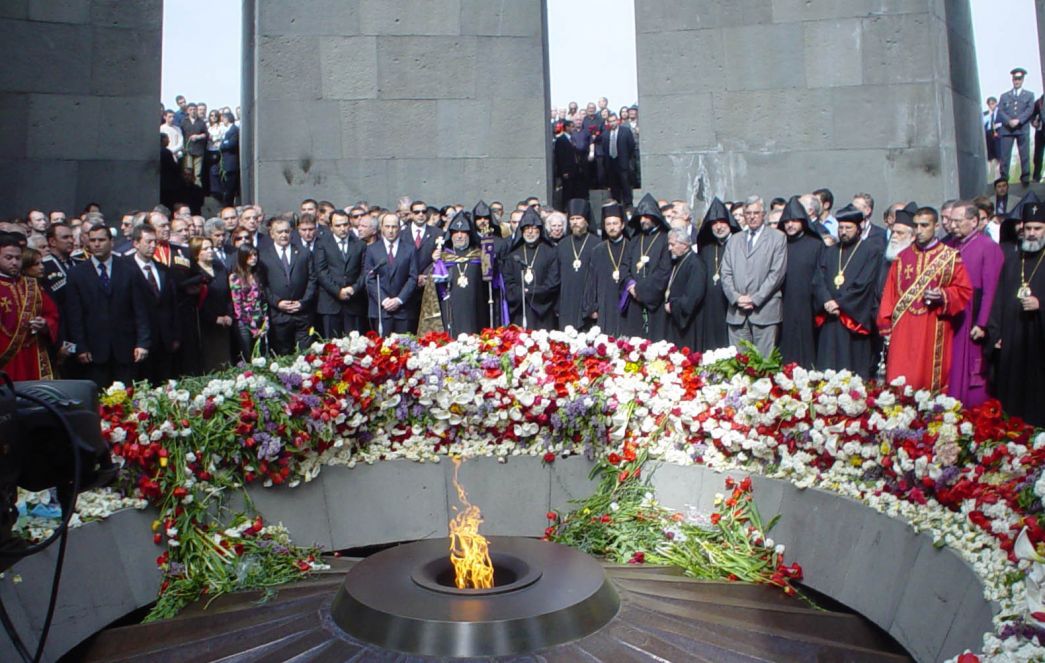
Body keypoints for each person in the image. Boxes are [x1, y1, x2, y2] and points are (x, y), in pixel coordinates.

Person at [877, 207, 972, 393]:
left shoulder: (950, 258)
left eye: (924, 225)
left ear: (936, 226)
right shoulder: (902, 258)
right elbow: (889, 294)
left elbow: (964, 291)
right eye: (916, 225)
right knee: (900, 379)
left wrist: (943, 295)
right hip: (903, 330)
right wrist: (885, 323)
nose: (919, 230)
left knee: (928, 379)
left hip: (934, 325)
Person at [65, 225, 150, 387]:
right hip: (93, 350)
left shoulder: (129, 270)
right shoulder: (76, 274)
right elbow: (74, 316)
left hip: (126, 348)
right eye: (93, 240)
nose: (97, 244)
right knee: (97, 401)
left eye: (101, 240)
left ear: (111, 242)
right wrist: (81, 347)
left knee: (128, 400)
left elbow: (140, 310)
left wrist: (143, 342)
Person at [987, 202, 1045, 426]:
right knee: (1012, 391)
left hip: (1039, 340)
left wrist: (1041, 304)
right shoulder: (1012, 260)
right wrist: (996, 332)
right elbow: (997, 298)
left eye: (1038, 229)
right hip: (1012, 337)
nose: (1031, 233)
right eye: (1028, 228)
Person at [944, 202, 1005, 407]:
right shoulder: (951, 245)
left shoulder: (988, 247)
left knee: (973, 371)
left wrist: (983, 323)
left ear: (974, 221)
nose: (952, 226)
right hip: (952, 315)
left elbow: (992, 289)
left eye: (957, 221)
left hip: (973, 317)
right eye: (951, 221)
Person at [813, 210, 883, 378]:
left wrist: (840, 303)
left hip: (853, 318)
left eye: (848, 228)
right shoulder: (830, 251)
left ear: (858, 228)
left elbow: (865, 283)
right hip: (830, 316)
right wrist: (827, 300)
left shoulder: (871, 251)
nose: (843, 232)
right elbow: (818, 279)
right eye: (841, 228)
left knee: (852, 366)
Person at [721, 195, 788, 357]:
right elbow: (726, 273)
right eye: (748, 213)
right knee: (738, 364)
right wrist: (737, 298)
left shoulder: (777, 238)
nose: (752, 217)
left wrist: (755, 298)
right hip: (737, 313)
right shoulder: (734, 240)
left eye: (756, 213)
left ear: (764, 214)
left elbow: (776, 274)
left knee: (763, 365)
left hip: (764, 312)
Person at [126, 224, 180, 383]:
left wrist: (175, 335)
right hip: (137, 341)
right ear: (136, 243)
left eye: (154, 242)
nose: (152, 246)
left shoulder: (163, 269)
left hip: (164, 339)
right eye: (148, 242)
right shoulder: (125, 268)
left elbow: (173, 303)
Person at [0, 235, 59, 380]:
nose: (14, 262)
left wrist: (44, 324)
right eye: (8, 258)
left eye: (18, 258)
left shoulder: (33, 285)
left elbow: (52, 314)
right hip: (5, 356)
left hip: (34, 354)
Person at [258, 218, 316, 354]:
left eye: (286, 231)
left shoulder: (304, 252)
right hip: (278, 315)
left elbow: (312, 279)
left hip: (302, 313)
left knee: (305, 354)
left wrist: (303, 302)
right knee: (282, 355)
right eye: (279, 232)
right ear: (272, 234)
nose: (283, 235)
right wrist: (277, 302)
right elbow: (262, 285)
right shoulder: (263, 256)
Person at [778, 196, 824, 367]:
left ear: (803, 221)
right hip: (784, 303)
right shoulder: (779, 244)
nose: (790, 225)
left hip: (808, 305)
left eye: (795, 220)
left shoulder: (816, 244)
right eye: (787, 221)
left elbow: (821, 277)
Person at [432, 211, 493, 336]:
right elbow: (434, 286)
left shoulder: (479, 255)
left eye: (463, 232)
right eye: (456, 232)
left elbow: (491, 281)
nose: (459, 236)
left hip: (475, 307)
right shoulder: (444, 257)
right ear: (451, 234)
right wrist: (435, 263)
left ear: (469, 234)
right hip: (451, 306)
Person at [622, 193, 672, 341]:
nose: (643, 220)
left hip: (655, 302)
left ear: (656, 216)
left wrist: (641, 291)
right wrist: (631, 286)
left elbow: (664, 271)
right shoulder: (635, 240)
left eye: (647, 216)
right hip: (634, 300)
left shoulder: (665, 238)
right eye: (641, 217)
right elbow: (625, 265)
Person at [695, 198, 741, 351]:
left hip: (730, 305)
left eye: (722, 221)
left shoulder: (738, 245)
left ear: (730, 223)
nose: (719, 227)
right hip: (709, 306)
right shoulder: (707, 249)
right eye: (714, 223)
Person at [502, 208, 559, 330]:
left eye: (533, 228)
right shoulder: (513, 255)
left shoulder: (551, 253)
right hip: (520, 309)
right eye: (527, 228)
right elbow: (508, 282)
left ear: (540, 230)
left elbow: (553, 283)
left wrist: (532, 292)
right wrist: (522, 292)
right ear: (521, 231)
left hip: (543, 311)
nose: (530, 232)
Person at [315, 209, 367, 338]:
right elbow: (321, 272)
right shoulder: (322, 244)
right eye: (338, 226)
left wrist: (354, 288)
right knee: (331, 347)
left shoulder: (360, 244)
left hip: (353, 302)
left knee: (355, 346)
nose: (342, 229)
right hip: (330, 303)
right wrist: (338, 291)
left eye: (345, 224)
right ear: (331, 227)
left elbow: (365, 271)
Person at [363, 212, 417, 335]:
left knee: (404, 349)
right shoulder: (372, 250)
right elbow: (369, 278)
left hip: (403, 310)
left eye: (394, 227)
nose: (391, 231)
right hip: (381, 310)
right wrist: (384, 300)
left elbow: (412, 278)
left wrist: (399, 300)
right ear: (381, 228)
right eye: (387, 227)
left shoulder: (409, 249)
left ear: (399, 228)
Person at [584, 202, 631, 337]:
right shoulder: (598, 250)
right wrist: (591, 307)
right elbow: (591, 281)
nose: (612, 227)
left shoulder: (631, 247)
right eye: (608, 224)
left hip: (625, 303)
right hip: (605, 304)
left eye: (615, 223)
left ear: (622, 225)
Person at [191, 236, 233, 372]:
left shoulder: (219, 267)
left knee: (225, 360)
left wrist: (228, 314)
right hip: (205, 326)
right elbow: (197, 302)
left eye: (211, 248)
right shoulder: (194, 272)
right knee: (211, 362)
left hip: (224, 322)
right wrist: (214, 318)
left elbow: (228, 294)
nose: (210, 251)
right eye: (205, 248)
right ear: (197, 252)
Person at [556, 199, 598, 331]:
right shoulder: (562, 245)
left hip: (588, 304)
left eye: (578, 218)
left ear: (586, 221)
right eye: (572, 219)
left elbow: (599, 278)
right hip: (566, 302)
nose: (575, 222)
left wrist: (595, 306)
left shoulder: (597, 244)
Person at [663, 228, 705, 350]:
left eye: (672, 244)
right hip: (675, 319)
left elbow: (693, 296)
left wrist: (673, 306)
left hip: (689, 322)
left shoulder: (695, 263)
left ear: (684, 244)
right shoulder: (679, 260)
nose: (670, 248)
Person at [998, 67, 1036, 184]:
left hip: (1021, 128)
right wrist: (1009, 121)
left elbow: (1030, 110)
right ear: (1012, 79)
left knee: (1024, 154)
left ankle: (1025, 177)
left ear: (1023, 80)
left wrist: (1019, 120)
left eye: (1019, 79)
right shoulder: (1005, 96)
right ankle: (1004, 177)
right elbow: (1000, 110)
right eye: (1015, 79)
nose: (1017, 81)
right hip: (1007, 129)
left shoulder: (1029, 95)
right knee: (1005, 156)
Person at [229, 244, 268, 360]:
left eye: (255, 255)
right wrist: (252, 328)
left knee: (261, 356)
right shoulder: (235, 277)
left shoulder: (257, 275)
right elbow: (238, 306)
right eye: (250, 256)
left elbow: (263, 300)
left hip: (259, 321)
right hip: (245, 323)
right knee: (247, 356)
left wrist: (265, 322)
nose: (254, 258)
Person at [600, 114, 636, 208]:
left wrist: (627, 158)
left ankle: (628, 204)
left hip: (623, 162)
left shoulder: (625, 131)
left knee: (625, 184)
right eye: (610, 121)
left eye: (614, 120)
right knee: (614, 185)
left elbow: (631, 145)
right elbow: (604, 149)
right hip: (611, 163)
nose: (612, 123)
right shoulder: (605, 134)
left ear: (617, 121)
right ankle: (616, 204)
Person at [219, 111, 240, 205]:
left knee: (230, 188)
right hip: (227, 163)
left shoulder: (234, 130)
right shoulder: (229, 130)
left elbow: (231, 144)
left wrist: (222, 144)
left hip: (231, 163)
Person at [984, 96, 1001, 178]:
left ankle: (997, 175)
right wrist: (989, 115)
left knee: (998, 156)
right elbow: (983, 122)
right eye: (990, 104)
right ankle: (989, 175)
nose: (991, 106)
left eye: (993, 104)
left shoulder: (999, 113)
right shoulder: (985, 114)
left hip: (997, 135)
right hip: (988, 135)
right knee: (989, 157)